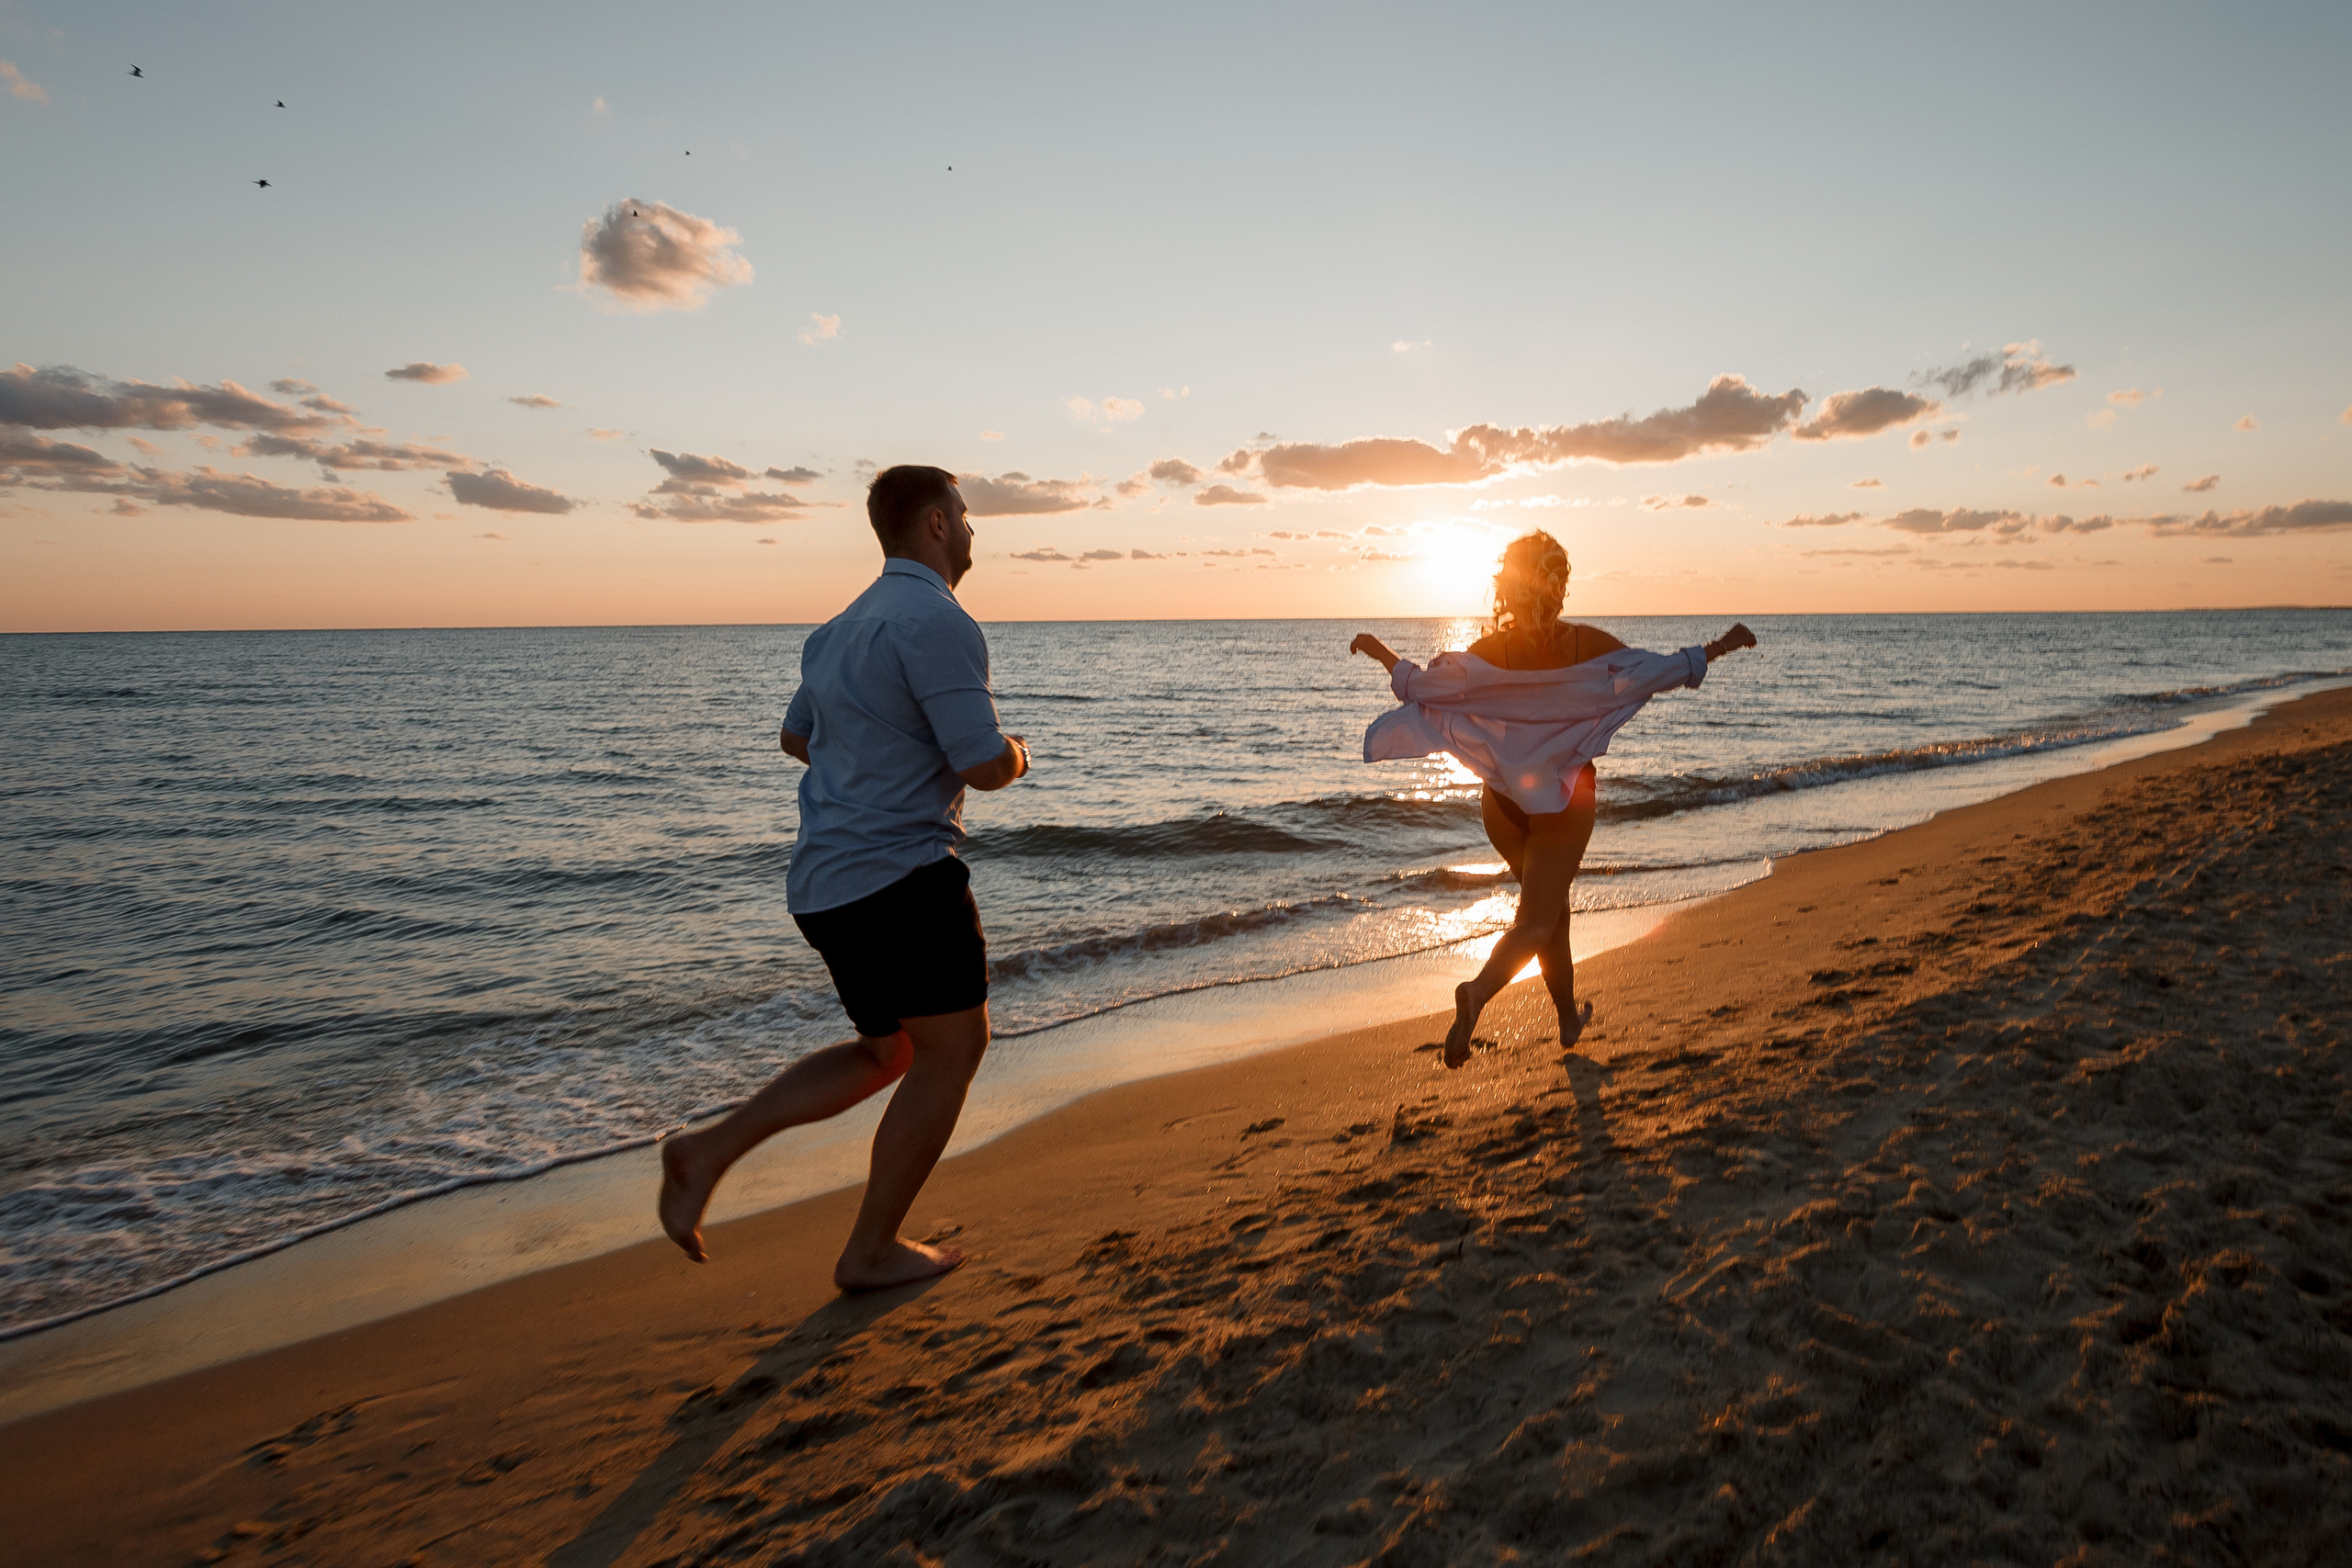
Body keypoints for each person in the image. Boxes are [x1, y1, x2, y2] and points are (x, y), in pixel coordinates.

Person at [658, 466, 1031, 1290]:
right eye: (965, 516)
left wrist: (875, 754)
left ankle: (706, 1150)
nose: (973, 532)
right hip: (903, 875)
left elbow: (798, 738)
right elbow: (981, 759)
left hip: (826, 884)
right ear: (934, 523)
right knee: (954, 1048)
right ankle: (869, 1249)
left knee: (885, 1050)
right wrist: (1019, 756)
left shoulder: (838, 628)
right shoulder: (937, 619)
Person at [1351, 529, 1755, 1067]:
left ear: (1507, 585)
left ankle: (1567, 1019)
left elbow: (1427, 688)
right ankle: (1476, 992)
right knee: (1538, 920)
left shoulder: (1488, 652)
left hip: (1502, 806)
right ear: (1559, 585)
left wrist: (1383, 654)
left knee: (1550, 913)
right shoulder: (1586, 645)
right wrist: (1720, 647)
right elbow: (1657, 672)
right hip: (1565, 804)